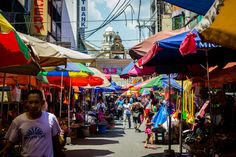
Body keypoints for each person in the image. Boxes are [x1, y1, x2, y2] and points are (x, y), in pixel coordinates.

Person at [0, 89, 64, 157]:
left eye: (36, 102)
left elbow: (56, 141)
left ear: (42, 103)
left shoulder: (51, 118)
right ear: (26, 103)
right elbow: (11, 142)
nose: (33, 105)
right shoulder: (18, 121)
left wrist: (60, 154)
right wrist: (5, 150)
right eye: (30, 102)